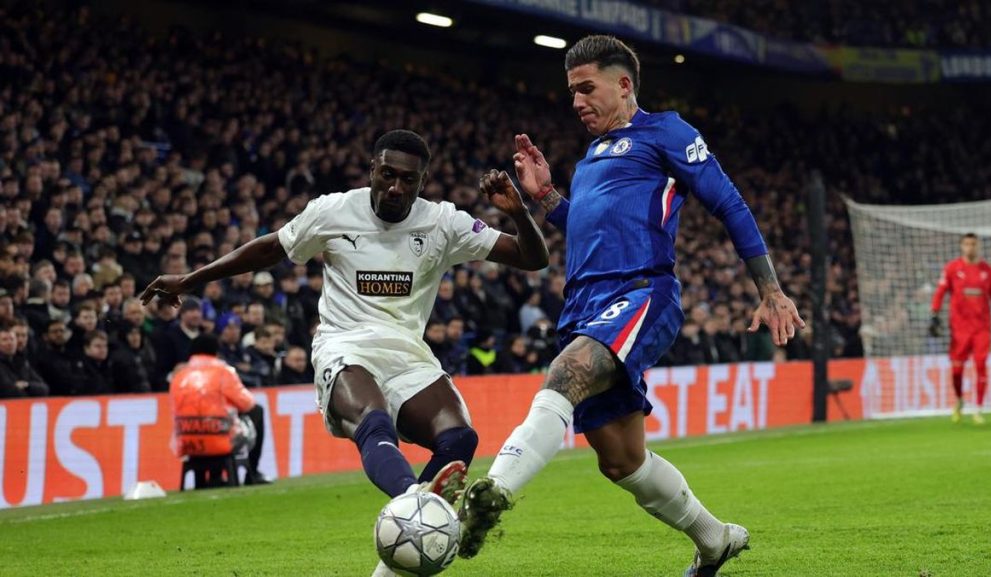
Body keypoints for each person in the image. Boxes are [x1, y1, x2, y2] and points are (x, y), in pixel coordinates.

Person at [457, 36, 804, 577]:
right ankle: (715, 539)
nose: (577, 102)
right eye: (572, 92)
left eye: (586, 88)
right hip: (584, 305)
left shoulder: (667, 132)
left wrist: (770, 288)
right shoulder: (591, 158)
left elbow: (728, 202)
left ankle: (490, 495)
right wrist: (544, 197)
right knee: (620, 460)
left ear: (623, 85)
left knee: (565, 374)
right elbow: (586, 226)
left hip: (641, 292)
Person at [141, 130, 549, 577]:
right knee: (374, 421)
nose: (395, 187)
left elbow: (532, 259)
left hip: (407, 353)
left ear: (422, 181)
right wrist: (191, 280)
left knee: (459, 440)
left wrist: (518, 213)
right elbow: (270, 248)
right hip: (344, 343)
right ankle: (415, 505)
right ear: (372, 170)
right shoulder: (333, 211)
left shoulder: (442, 222)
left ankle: (410, 529)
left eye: (408, 180)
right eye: (387, 174)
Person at [929, 233, 991, 424]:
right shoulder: (952, 268)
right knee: (957, 371)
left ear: (978, 246)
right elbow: (940, 292)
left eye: (973, 244)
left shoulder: (988, 271)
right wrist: (934, 315)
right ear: (961, 246)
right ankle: (959, 400)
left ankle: (978, 409)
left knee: (981, 365)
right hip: (959, 329)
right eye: (966, 244)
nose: (970, 247)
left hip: (982, 328)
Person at [169, 333, 269, 485]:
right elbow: (247, 403)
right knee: (257, 411)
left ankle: (209, 477)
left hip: (186, 441)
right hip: (219, 439)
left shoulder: (179, 375)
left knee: (209, 420)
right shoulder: (224, 372)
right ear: (216, 351)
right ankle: (252, 473)